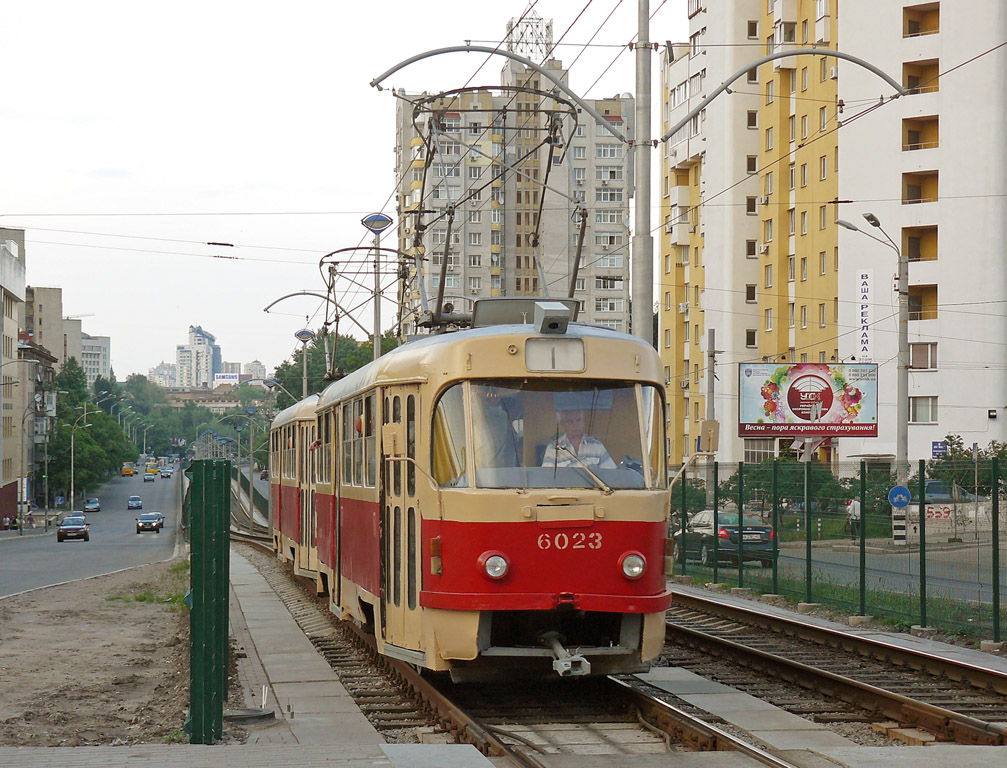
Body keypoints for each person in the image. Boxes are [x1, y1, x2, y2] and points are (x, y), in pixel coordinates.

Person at [541, 409, 616, 470]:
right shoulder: (553, 449)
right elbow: (547, 478)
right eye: (570, 421)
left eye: (578, 420)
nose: (575, 425)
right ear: (563, 424)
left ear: (583, 422)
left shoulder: (596, 446)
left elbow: (611, 476)